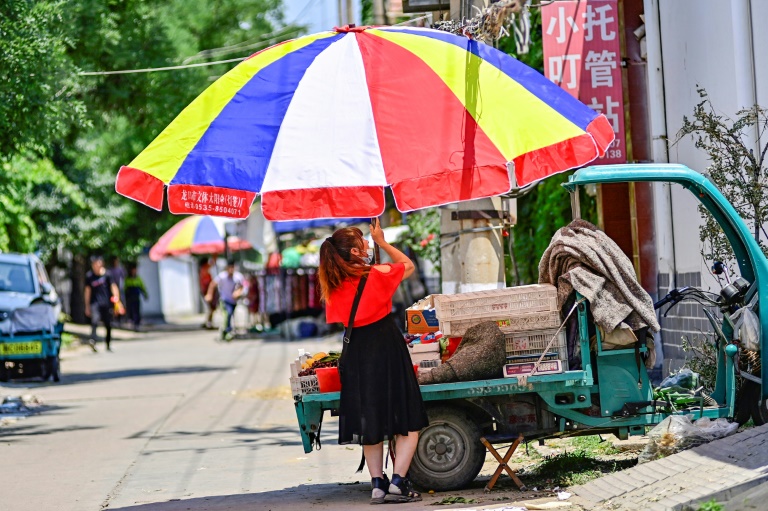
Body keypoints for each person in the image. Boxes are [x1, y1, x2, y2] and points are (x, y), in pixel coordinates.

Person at [319, 220, 428, 505]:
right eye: (363, 243)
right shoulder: (376, 274)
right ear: (355, 251)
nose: (367, 244)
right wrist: (383, 242)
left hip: (355, 350)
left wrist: (373, 246)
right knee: (408, 417)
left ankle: (377, 485)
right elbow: (408, 265)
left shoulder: (333, 284)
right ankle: (398, 483)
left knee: (371, 420)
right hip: (387, 345)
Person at [84, 256, 120, 352]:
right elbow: (87, 291)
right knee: (94, 321)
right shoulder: (90, 276)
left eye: (98, 263)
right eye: (95, 264)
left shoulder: (107, 275)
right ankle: (93, 341)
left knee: (108, 323)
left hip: (107, 303)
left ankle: (108, 343)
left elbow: (113, 287)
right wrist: (87, 306)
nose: (97, 265)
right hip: (95, 303)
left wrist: (117, 300)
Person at [205, 260, 245, 341]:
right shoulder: (222, 276)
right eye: (229, 268)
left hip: (233, 301)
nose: (231, 270)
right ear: (227, 268)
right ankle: (227, 330)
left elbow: (243, 286)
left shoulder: (238, 277)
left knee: (230, 315)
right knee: (227, 313)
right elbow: (213, 284)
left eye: (232, 268)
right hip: (224, 299)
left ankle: (225, 330)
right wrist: (209, 294)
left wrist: (238, 292)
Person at [124, 264, 148, 332]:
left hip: (136, 297)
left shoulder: (138, 278)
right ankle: (132, 322)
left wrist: (145, 294)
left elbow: (142, 287)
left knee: (137, 310)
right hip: (129, 297)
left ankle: (137, 324)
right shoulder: (127, 278)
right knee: (131, 311)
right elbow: (125, 288)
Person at [199, 258, 217, 329]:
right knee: (211, 308)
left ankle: (208, 321)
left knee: (211, 308)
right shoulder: (204, 269)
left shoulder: (202, 270)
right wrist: (215, 255)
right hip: (207, 292)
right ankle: (208, 322)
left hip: (206, 291)